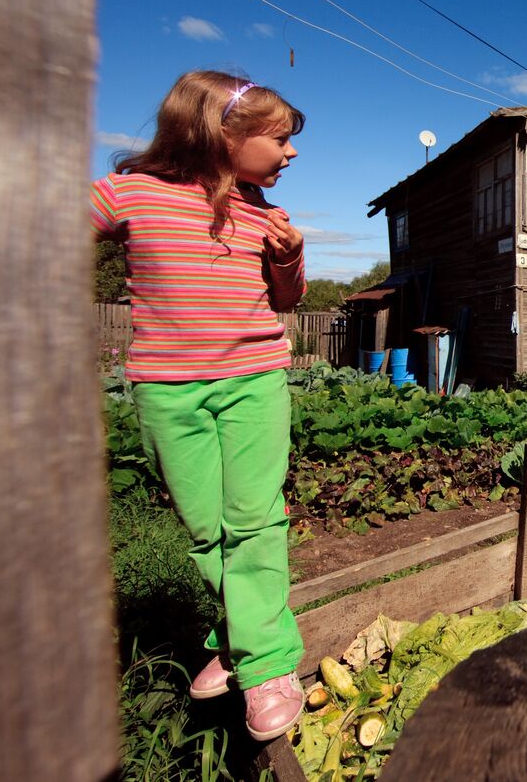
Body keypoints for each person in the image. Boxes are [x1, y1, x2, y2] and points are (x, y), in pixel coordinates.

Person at [91, 70, 309, 742]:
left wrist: (290, 257)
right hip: (166, 388)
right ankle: (242, 634)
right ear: (223, 133)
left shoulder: (263, 215)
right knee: (206, 529)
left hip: (253, 380)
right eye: (278, 139)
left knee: (252, 520)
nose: (291, 152)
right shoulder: (128, 193)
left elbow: (287, 301)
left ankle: (268, 663)